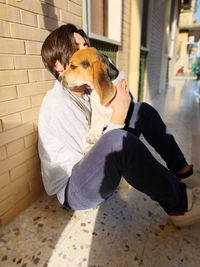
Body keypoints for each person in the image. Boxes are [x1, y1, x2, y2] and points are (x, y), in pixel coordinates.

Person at [38, 23, 199, 228]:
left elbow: (125, 97)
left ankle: (183, 172)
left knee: (142, 111)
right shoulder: (56, 103)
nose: (85, 50)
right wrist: (118, 119)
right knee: (118, 141)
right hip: (75, 188)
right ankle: (179, 205)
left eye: (86, 45)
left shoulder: (87, 89)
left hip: (95, 167)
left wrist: (114, 88)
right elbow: (88, 152)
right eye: (76, 47)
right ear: (59, 65)